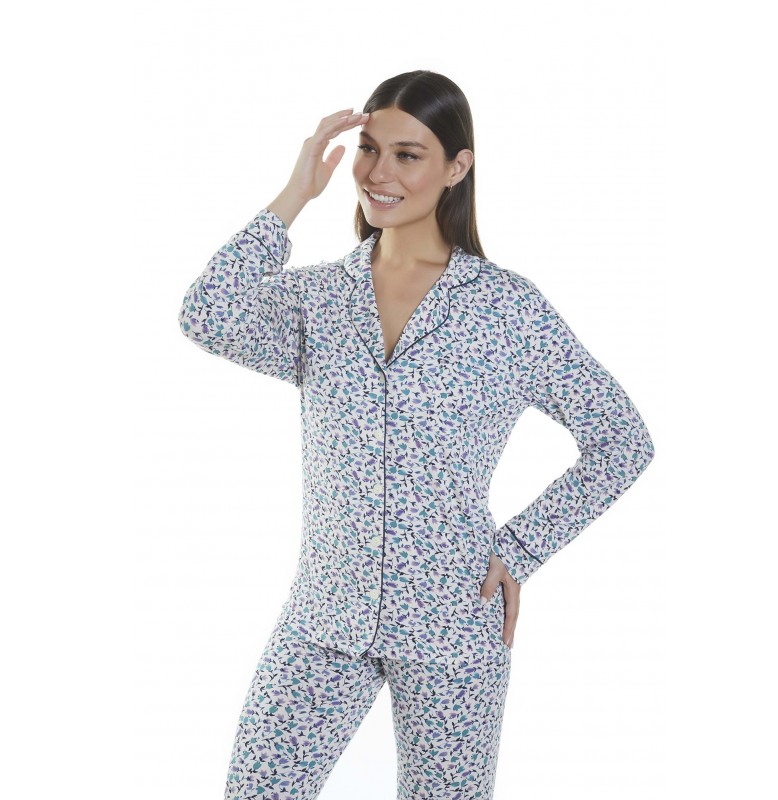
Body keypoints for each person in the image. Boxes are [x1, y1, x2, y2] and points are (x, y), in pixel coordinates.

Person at [177, 70, 655, 800]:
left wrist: (521, 549)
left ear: (457, 167)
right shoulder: (318, 299)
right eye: (369, 149)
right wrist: (295, 194)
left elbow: (622, 441)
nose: (379, 173)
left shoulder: (505, 309)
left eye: (408, 154)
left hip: (453, 621)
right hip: (325, 615)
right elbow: (206, 314)